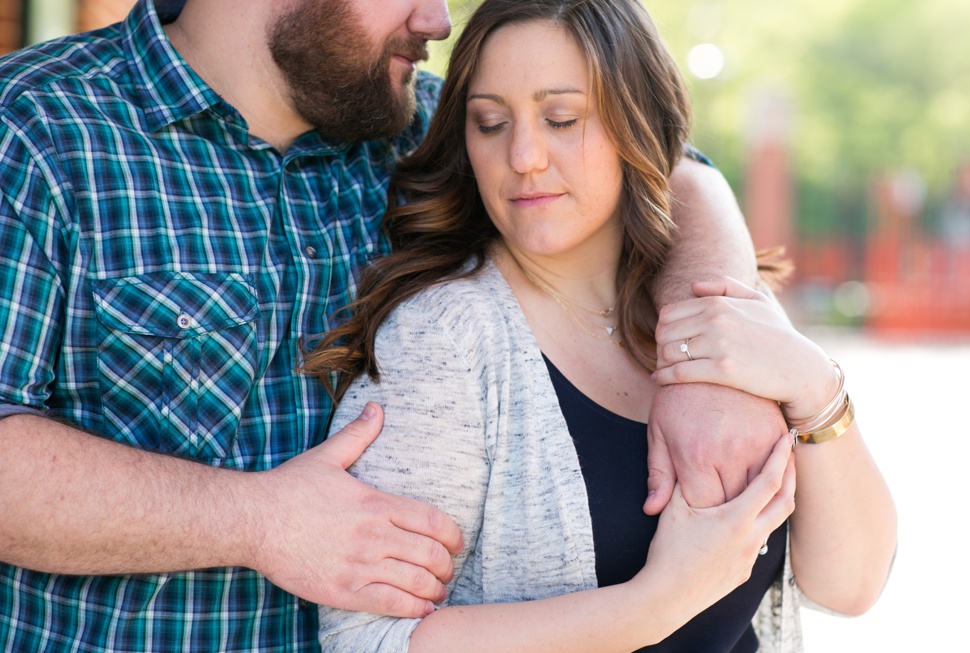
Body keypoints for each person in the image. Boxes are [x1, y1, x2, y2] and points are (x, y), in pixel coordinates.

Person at [0, 0, 790, 650]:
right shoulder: (35, 130)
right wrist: (256, 521)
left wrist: (704, 354)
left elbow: (668, 162)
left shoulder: (427, 127)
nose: (436, 19)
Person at [305, 0, 897, 651]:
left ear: (637, 122)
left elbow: (850, 585)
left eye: (562, 118)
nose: (524, 156)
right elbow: (368, 639)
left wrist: (817, 391)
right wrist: (655, 603)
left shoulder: (723, 300)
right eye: (491, 122)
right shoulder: (441, 342)